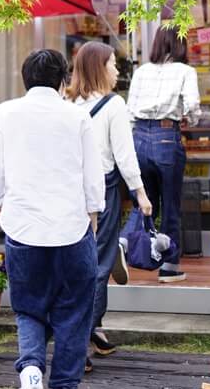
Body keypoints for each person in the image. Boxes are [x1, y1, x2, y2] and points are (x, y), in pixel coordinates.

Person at [0, 48, 104, 389]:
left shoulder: (6, 112)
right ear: (64, 80)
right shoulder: (78, 115)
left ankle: (31, 374)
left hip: (23, 229)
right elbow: (92, 174)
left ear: (24, 80)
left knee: (29, 309)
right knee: (74, 313)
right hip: (71, 229)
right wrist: (94, 212)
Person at [65, 41, 153, 369]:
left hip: (68, 190)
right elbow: (125, 156)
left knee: (74, 260)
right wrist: (141, 194)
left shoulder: (66, 100)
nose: (117, 70)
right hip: (102, 189)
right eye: (113, 64)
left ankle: (93, 329)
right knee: (98, 265)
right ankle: (83, 339)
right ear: (98, 68)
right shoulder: (114, 105)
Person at [126, 27, 201, 282]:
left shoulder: (141, 72)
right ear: (180, 44)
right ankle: (169, 265)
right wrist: (192, 119)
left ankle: (125, 242)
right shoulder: (185, 72)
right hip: (167, 136)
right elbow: (192, 105)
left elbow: (129, 112)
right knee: (170, 204)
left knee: (144, 201)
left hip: (138, 138)